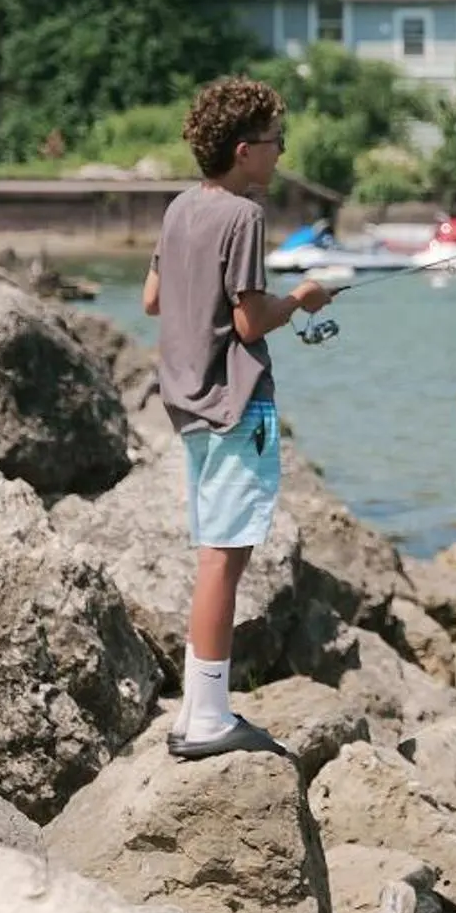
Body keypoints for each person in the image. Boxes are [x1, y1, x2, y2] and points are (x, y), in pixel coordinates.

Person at [143, 76, 334, 760]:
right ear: (246, 149)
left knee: (213, 553)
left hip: (185, 402)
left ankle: (198, 707)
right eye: (277, 141)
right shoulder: (245, 216)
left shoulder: (180, 209)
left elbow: (152, 298)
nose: (282, 153)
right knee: (224, 560)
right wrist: (303, 297)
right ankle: (208, 718)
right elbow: (252, 320)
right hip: (234, 403)